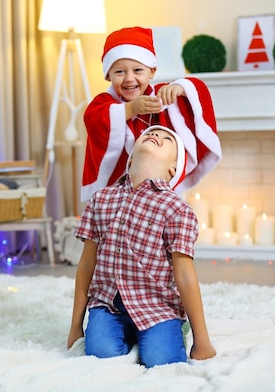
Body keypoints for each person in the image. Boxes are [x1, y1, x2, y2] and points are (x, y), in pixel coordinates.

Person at [67, 125, 217, 368]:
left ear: (173, 169)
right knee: (100, 354)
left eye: (167, 138)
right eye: (149, 134)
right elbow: (86, 265)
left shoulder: (176, 210)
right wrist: (75, 326)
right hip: (108, 305)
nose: (156, 135)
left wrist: (202, 340)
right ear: (131, 158)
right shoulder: (101, 200)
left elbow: (185, 275)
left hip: (157, 306)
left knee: (162, 361)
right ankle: (127, 333)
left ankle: (173, 329)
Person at [81, 26, 222, 202]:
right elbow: (93, 119)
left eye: (138, 70)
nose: (129, 78)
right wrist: (130, 109)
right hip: (121, 193)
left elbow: (198, 89)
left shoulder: (161, 94)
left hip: (162, 188)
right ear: (108, 75)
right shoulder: (105, 102)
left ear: (152, 71)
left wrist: (180, 88)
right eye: (119, 71)